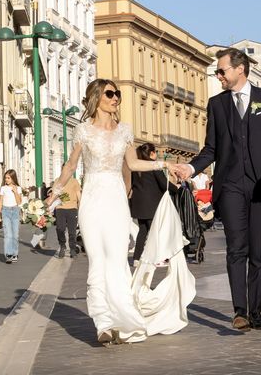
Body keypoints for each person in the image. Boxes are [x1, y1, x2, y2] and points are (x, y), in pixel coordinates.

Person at [46, 79, 195, 345]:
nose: (116, 98)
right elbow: (70, 166)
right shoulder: (83, 130)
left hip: (115, 199)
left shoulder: (124, 130)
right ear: (97, 97)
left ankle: (123, 320)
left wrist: (164, 164)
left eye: (118, 94)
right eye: (110, 93)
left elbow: (134, 163)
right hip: (92, 199)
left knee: (116, 260)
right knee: (97, 260)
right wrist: (55, 192)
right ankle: (103, 322)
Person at [175, 47, 261, 331]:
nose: (218, 75)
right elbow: (211, 148)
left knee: (259, 250)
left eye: (221, 70)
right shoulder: (217, 105)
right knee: (236, 248)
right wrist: (190, 168)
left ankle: (256, 312)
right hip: (231, 185)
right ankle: (240, 312)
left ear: (240, 69)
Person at [129, 143, 172, 266]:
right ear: (152, 153)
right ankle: (159, 258)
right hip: (152, 206)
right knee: (157, 231)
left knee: (143, 231)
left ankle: (136, 258)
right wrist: (178, 189)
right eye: (156, 152)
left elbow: (133, 184)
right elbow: (164, 184)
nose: (157, 155)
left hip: (139, 205)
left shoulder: (137, 167)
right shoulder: (154, 166)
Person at [53, 171, 81, 259]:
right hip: (60, 208)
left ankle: (72, 249)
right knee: (60, 229)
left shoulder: (74, 181)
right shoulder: (57, 181)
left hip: (72, 208)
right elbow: (54, 195)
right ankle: (62, 245)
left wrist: (80, 208)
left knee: (72, 231)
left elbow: (78, 196)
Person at [0, 170, 22, 264]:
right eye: (5, 178)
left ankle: (15, 253)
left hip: (15, 211)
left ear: (13, 178)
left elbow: (19, 202)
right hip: (5, 211)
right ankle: (8, 254)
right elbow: (0, 201)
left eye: (8, 178)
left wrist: (15, 192)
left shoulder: (18, 188)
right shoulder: (3, 188)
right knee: (8, 234)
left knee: (15, 234)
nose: (6, 179)